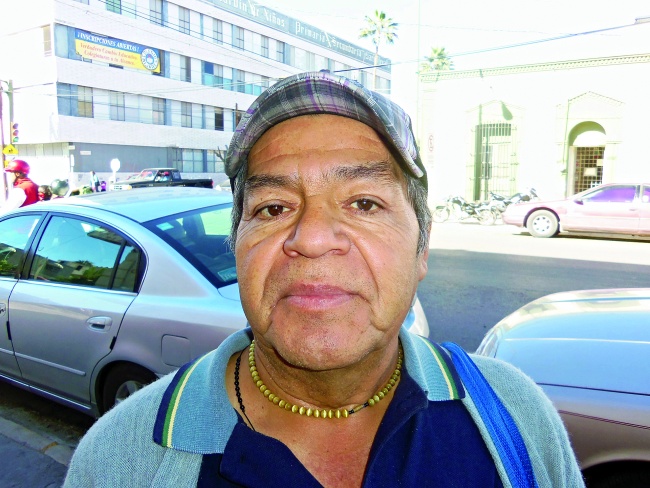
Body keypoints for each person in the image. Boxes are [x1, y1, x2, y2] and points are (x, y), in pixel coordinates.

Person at [64, 71, 584, 487]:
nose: (311, 238)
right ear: (238, 248)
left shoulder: (514, 416)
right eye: (273, 208)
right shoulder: (119, 459)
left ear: (421, 247)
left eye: (364, 203)